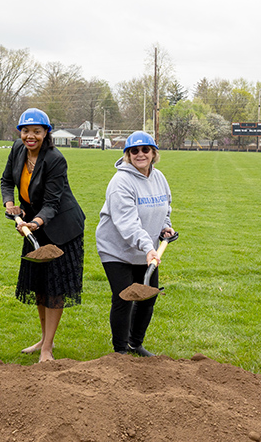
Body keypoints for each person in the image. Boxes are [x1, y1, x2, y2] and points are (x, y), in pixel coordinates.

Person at [0, 108, 86, 363]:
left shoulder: (54, 159)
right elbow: (6, 181)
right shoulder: (17, 150)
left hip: (61, 228)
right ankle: (43, 338)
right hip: (33, 223)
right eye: (26, 131)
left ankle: (47, 347)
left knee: (54, 288)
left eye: (37, 131)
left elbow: (52, 202)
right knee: (39, 286)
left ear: (46, 133)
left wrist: (34, 223)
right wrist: (9, 204)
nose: (30, 136)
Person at [95, 131, 175, 357]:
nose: (140, 154)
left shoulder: (159, 178)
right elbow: (127, 223)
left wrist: (164, 227)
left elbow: (164, 207)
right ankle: (120, 351)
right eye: (134, 151)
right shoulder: (121, 182)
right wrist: (149, 248)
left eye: (145, 150)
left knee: (148, 297)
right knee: (124, 298)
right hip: (116, 249)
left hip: (145, 250)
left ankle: (135, 343)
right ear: (128, 155)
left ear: (153, 153)